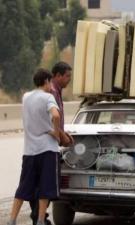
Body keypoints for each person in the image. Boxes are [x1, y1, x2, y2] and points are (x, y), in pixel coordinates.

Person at [7, 69, 62, 225]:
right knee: (45, 188)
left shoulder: (26, 97)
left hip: (29, 150)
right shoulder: (48, 97)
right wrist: (56, 134)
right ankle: (39, 221)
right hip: (47, 149)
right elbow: (56, 116)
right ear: (46, 81)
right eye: (50, 81)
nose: (51, 85)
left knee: (24, 186)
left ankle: (12, 219)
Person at [28, 62, 74, 225]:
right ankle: (38, 218)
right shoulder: (52, 92)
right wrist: (61, 136)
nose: (69, 79)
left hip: (43, 145)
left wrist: (62, 132)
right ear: (57, 76)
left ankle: (39, 218)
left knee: (40, 184)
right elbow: (51, 119)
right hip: (46, 145)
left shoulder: (55, 91)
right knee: (44, 184)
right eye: (67, 76)